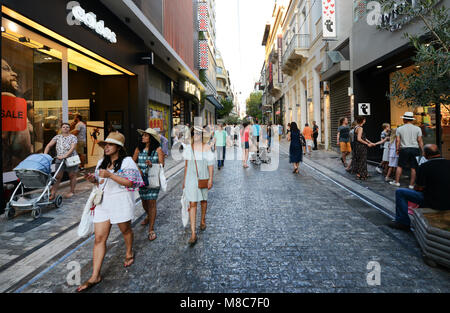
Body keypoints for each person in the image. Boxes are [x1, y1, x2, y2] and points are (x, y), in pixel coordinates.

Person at [76, 132, 143, 292]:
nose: (106, 147)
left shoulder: (127, 162)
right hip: (103, 202)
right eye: (105, 144)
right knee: (99, 238)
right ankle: (95, 275)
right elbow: (100, 181)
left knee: (125, 230)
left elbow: (132, 182)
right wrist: (93, 179)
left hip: (120, 201)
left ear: (118, 147)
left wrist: (110, 175)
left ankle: (128, 251)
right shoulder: (101, 162)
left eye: (110, 144)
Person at [388, 144, 450, 231]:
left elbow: (419, 188)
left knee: (400, 192)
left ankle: (403, 222)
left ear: (425, 155)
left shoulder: (424, 166)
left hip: (433, 201)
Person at [182, 126, 215, 245]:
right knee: (192, 203)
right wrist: (184, 181)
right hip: (191, 179)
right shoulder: (188, 148)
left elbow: (210, 164)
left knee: (204, 200)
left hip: (203, 177)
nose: (196, 135)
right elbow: (186, 166)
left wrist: (211, 178)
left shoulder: (206, 148)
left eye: (198, 133)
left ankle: (202, 219)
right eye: (194, 133)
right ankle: (193, 233)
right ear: (191, 135)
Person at [133, 128, 165, 241]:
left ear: (151, 138)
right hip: (141, 179)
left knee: (152, 203)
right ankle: (149, 215)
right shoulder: (138, 149)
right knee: (144, 203)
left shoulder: (158, 149)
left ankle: (151, 229)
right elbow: (133, 162)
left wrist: (152, 164)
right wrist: (138, 169)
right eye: (143, 135)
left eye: (145, 136)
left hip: (153, 179)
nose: (143, 137)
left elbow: (162, 164)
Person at [44, 123, 79, 199]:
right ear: (61, 128)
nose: (65, 128)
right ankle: (53, 193)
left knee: (72, 175)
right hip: (59, 158)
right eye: (64, 127)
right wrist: (45, 155)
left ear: (69, 129)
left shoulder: (73, 137)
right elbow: (49, 145)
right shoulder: (57, 137)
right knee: (57, 176)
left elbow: (72, 148)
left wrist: (65, 156)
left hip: (71, 158)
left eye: (67, 127)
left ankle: (72, 191)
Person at [390, 112, 424, 189]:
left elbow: (398, 140)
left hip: (404, 149)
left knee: (400, 166)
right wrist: (423, 150)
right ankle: (411, 185)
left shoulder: (399, 129)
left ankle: (397, 182)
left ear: (404, 119)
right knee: (413, 167)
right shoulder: (418, 128)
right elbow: (420, 140)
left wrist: (397, 149)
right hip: (415, 149)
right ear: (412, 120)